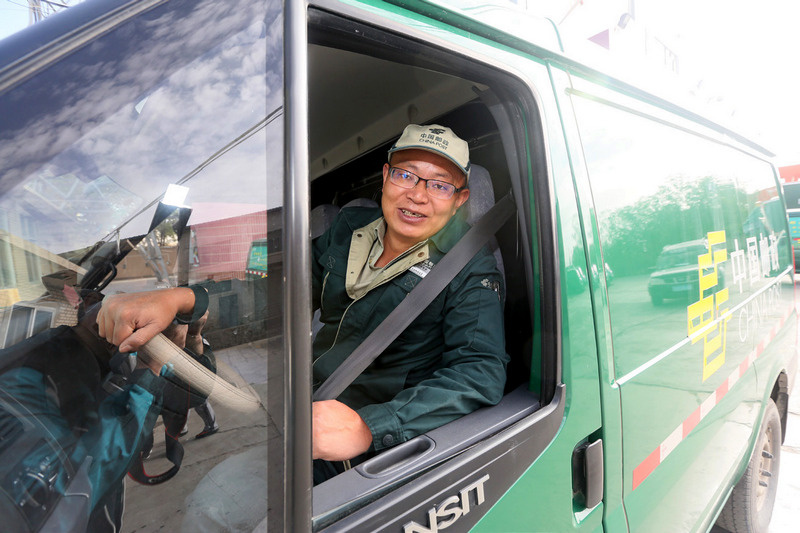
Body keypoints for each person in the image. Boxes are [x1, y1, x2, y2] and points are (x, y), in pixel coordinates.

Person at [96, 124, 509, 486]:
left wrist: (370, 426)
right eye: (406, 175)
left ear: (460, 199)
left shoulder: (469, 269)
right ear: (385, 177)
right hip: (302, 408)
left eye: (439, 185)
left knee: (213, 505)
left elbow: (479, 372)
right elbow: (282, 290)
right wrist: (185, 298)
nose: (417, 195)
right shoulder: (347, 230)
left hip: (371, 447)